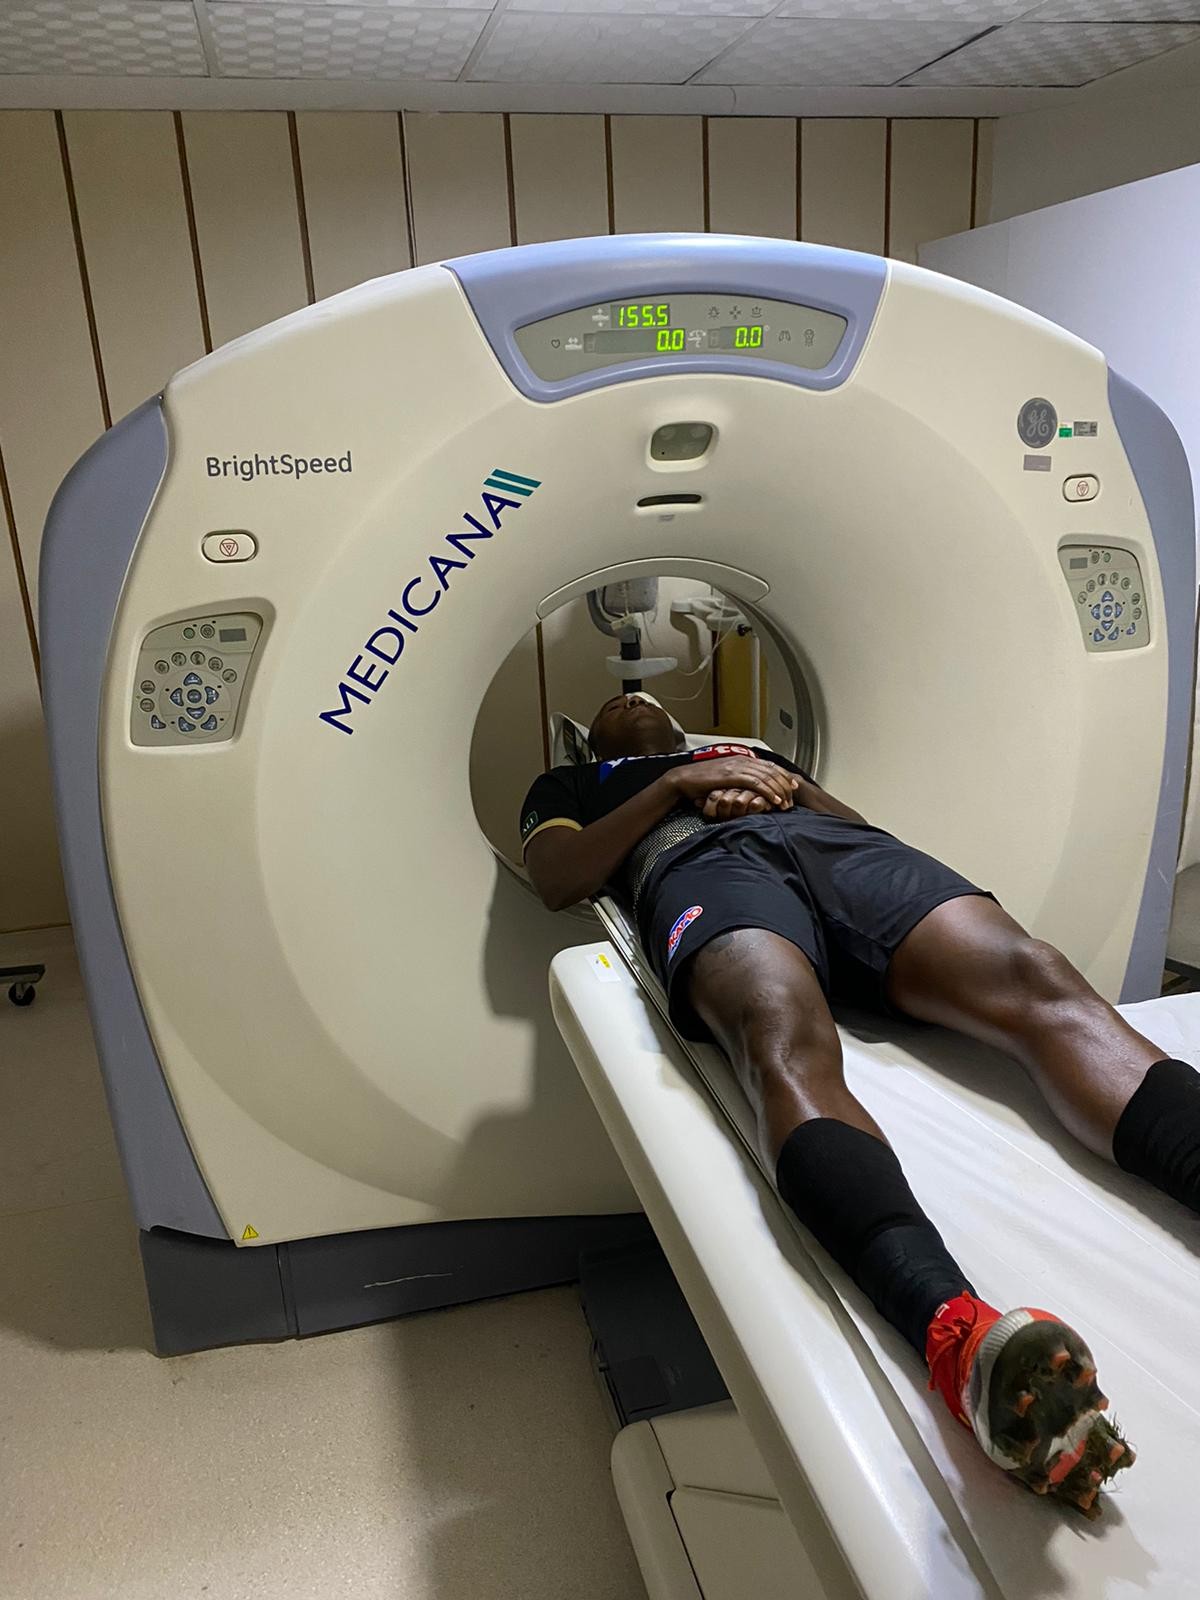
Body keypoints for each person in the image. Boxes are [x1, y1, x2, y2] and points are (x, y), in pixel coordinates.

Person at [521, 693, 1200, 1518]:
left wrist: (780, 785)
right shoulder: (574, 784)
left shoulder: (752, 753)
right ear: (597, 743)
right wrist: (679, 790)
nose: (634, 698)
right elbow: (558, 876)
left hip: (838, 851)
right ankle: (957, 1339)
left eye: (645, 698)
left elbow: (861, 826)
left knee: (1038, 975)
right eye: (615, 702)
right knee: (777, 1033)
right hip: (699, 865)